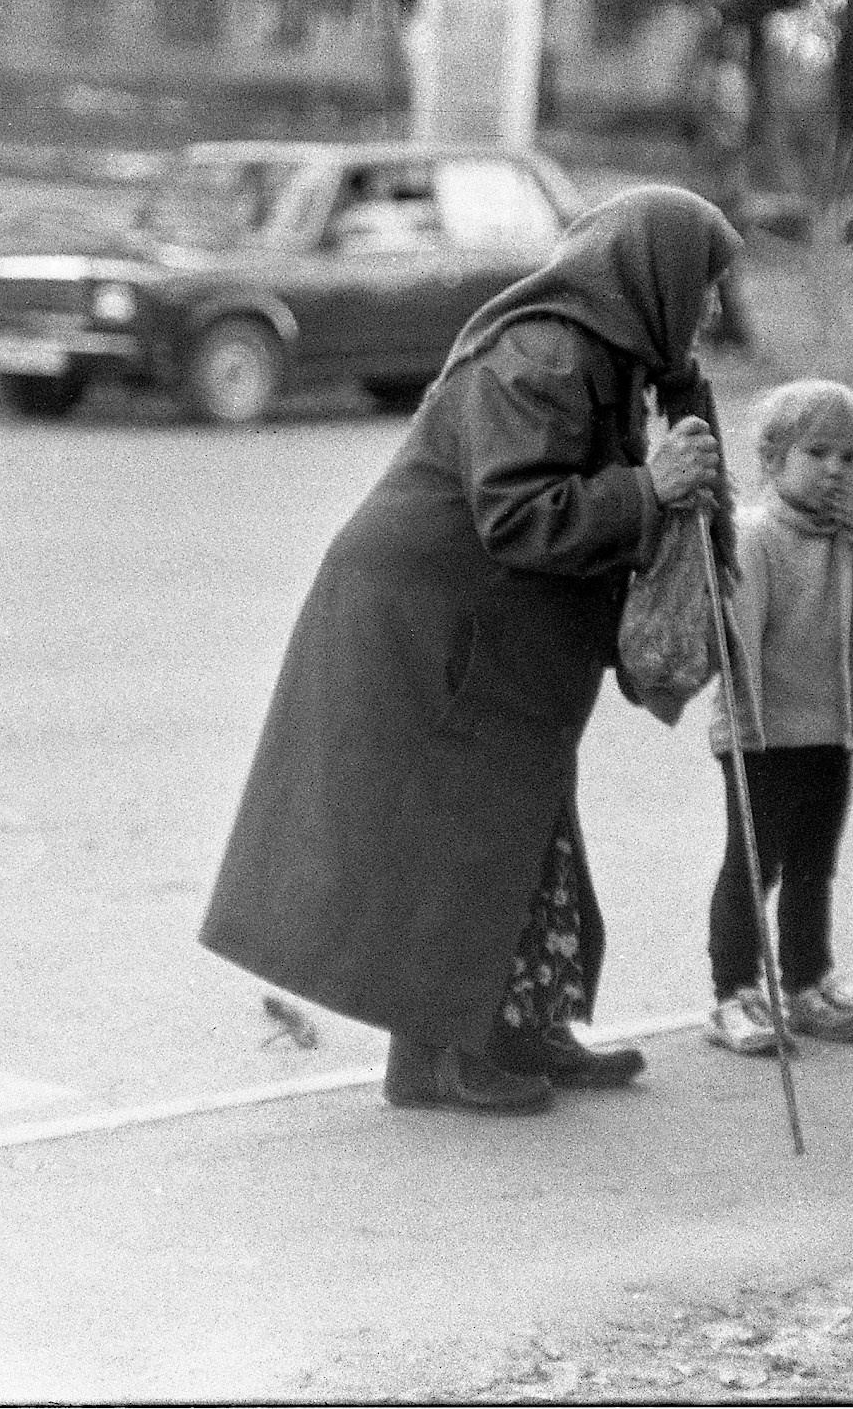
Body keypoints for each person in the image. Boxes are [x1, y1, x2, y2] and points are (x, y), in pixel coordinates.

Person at [199, 185, 741, 1115]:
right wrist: (647, 489)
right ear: (652, 275)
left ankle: (519, 1026)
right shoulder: (542, 355)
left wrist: (681, 390)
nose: (710, 308)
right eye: (701, 285)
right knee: (460, 832)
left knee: (513, 824)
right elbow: (522, 515)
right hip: (433, 618)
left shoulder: (607, 354)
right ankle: (446, 1059)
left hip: (482, 620)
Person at [701, 380, 853, 1054]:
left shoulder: (851, 538)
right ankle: (733, 995)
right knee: (752, 865)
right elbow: (736, 639)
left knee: (813, 865)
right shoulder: (755, 538)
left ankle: (806, 983)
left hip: (831, 728)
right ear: (772, 462)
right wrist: (740, 709)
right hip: (762, 733)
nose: (836, 469)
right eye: (818, 453)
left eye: (850, 457)